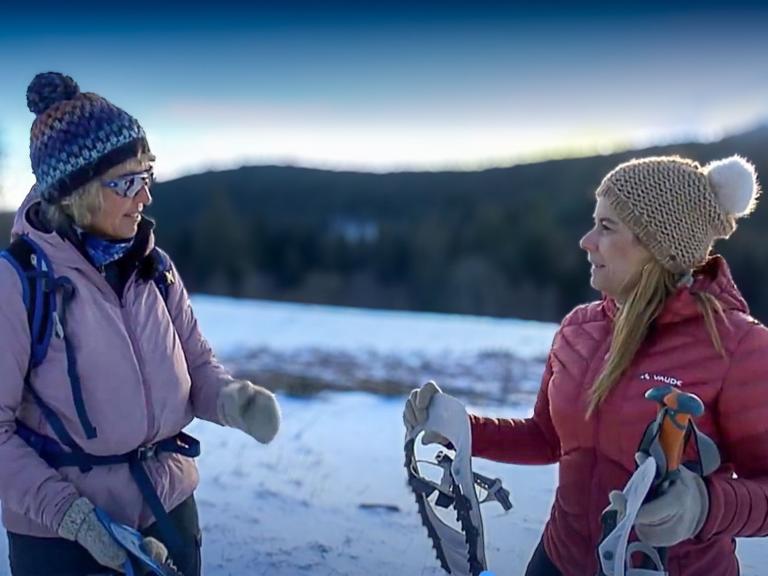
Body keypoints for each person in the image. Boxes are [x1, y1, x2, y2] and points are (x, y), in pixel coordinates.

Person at [404, 155, 768, 576]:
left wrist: (704, 504)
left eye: (607, 226)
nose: (586, 241)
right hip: (557, 561)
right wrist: (460, 430)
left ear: (657, 247)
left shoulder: (739, 347)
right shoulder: (579, 329)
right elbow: (547, 439)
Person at [0, 72, 281, 576]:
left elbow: (198, 366)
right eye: (127, 182)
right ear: (78, 191)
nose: (145, 196)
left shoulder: (154, 266)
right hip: (63, 541)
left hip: (169, 512)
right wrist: (75, 519)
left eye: (146, 175)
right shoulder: (17, 283)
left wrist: (232, 401)